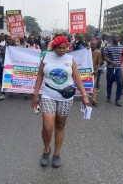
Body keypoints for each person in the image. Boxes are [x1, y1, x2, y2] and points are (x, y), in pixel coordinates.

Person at [32, 36, 90, 168]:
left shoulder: (70, 59)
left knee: (60, 126)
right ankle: (46, 149)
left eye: (64, 48)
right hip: (48, 95)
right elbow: (40, 76)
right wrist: (35, 94)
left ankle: (57, 154)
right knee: (47, 127)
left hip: (66, 97)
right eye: (59, 48)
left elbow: (76, 77)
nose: (62, 50)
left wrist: (84, 94)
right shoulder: (46, 58)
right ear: (54, 47)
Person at [103, 34, 123, 106]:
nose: (117, 39)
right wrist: (111, 62)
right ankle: (108, 97)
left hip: (118, 68)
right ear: (113, 38)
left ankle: (117, 99)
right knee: (110, 83)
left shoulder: (121, 47)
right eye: (115, 37)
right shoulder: (108, 47)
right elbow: (104, 57)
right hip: (110, 68)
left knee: (120, 83)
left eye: (118, 37)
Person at [90, 39, 102, 106]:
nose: (93, 46)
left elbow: (99, 63)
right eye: (92, 44)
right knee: (86, 84)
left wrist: (96, 70)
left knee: (94, 85)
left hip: (94, 71)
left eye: (95, 45)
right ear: (90, 44)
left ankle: (94, 99)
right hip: (87, 71)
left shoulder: (98, 52)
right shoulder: (87, 51)